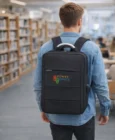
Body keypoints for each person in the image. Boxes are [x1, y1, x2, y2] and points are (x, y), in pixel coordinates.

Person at [34, 2, 111, 140]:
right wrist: (105, 109)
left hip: (56, 113)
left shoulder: (45, 48)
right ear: (80, 21)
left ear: (61, 21)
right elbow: (100, 84)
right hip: (84, 114)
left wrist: (44, 108)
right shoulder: (92, 48)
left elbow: (39, 85)